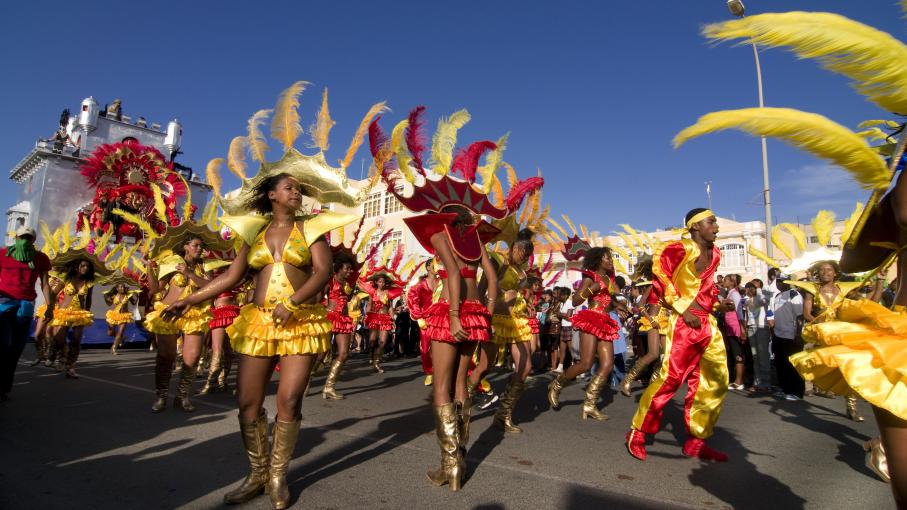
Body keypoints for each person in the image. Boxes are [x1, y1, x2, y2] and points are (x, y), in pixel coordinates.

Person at [626, 208, 733, 462]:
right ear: (695, 226)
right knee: (670, 379)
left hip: (708, 325)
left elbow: (706, 289)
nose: (717, 227)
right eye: (712, 222)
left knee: (714, 381)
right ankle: (638, 433)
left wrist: (717, 305)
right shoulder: (678, 248)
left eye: (716, 222)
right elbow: (661, 278)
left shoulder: (715, 253)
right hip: (684, 326)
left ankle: (697, 440)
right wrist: (683, 310)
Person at [548, 247, 620, 420]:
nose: (610, 261)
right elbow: (575, 300)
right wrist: (592, 289)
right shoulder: (590, 277)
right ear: (598, 261)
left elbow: (608, 302)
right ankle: (557, 385)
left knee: (608, 364)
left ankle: (589, 404)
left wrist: (621, 307)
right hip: (591, 319)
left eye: (611, 258)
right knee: (585, 364)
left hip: (605, 321)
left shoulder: (609, 279)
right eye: (607, 258)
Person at [144, 235, 214, 412]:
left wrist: (189, 273)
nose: (199, 248)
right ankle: (161, 395)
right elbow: (155, 289)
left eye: (201, 245)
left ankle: (182, 396)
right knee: (166, 357)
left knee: (193, 357)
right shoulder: (171, 263)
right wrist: (148, 267)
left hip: (194, 314)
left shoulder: (206, 266)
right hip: (169, 312)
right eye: (195, 245)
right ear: (185, 247)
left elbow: (211, 288)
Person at [0, 227, 53, 400]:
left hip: (26, 306)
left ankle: (4, 387)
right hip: (4, 303)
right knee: (4, 345)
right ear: (16, 238)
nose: (25, 241)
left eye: (28, 238)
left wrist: (50, 306)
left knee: (16, 348)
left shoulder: (40, 258)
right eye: (22, 237)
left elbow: (45, 284)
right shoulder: (3, 254)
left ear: (33, 241)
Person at [50, 257, 100, 378]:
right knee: (59, 340)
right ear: (77, 266)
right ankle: (60, 356)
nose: (85, 268)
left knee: (77, 340)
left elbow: (88, 299)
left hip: (80, 313)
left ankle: (70, 366)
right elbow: (52, 293)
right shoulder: (66, 278)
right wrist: (52, 306)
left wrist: (87, 312)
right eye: (83, 265)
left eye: (88, 266)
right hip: (64, 312)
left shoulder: (89, 282)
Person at [323, 251, 357, 400]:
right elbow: (318, 298)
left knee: (343, 354)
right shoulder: (329, 280)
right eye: (347, 268)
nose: (350, 271)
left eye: (351, 269)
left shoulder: (348, 284)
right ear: (338, 268)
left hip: (343, 319)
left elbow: (347, 300)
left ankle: (329, 387)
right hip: (329, 317)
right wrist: (325, 309)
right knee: (320, 355)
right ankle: (307, 380)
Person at [768, 277, 803, 400]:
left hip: (791, 335)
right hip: (778, 334)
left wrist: (798, 334)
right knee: (781, 364)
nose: (779, 284)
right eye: (778, 282)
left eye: (782, 281)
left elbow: (800, 316)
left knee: (792, 365)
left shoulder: (794, 295)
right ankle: (785, 389)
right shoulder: (777, 296)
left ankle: (797, 392)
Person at [743, 280, 771, 392]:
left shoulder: (763, 296)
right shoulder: (747, 300)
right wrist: (745, 329)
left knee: (763, 356)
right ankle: (757, 381)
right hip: (751, 327)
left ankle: (766, 382)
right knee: (755, 357)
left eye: (753, 286)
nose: (751, 288)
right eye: (750, 286)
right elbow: (746, 316)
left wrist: (758, 290)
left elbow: (766, 302)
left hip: (761, 327)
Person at [722, 274, 746, 390]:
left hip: (735, 327)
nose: (723, 282)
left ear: (732, 282)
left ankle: (739, 381)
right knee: (733, 353)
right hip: (729, 328)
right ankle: (734, 379)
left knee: (738, 354)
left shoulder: (735, 294)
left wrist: (742, 329)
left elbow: (740, 312)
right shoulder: (729, 293)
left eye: (726, 280)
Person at [104, 282, 136, 355]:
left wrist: (135, 295)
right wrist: (105, 296)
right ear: (117, 289)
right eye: (121, 287)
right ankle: (121, 338)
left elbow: (134, 303)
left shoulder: (128, 295)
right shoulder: (114, 295)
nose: (123, 288)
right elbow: (109, 304)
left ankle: (114, 348)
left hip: (124, 315)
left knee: (120, 332)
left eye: (123, 287)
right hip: (114, 315)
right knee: (110, 333)